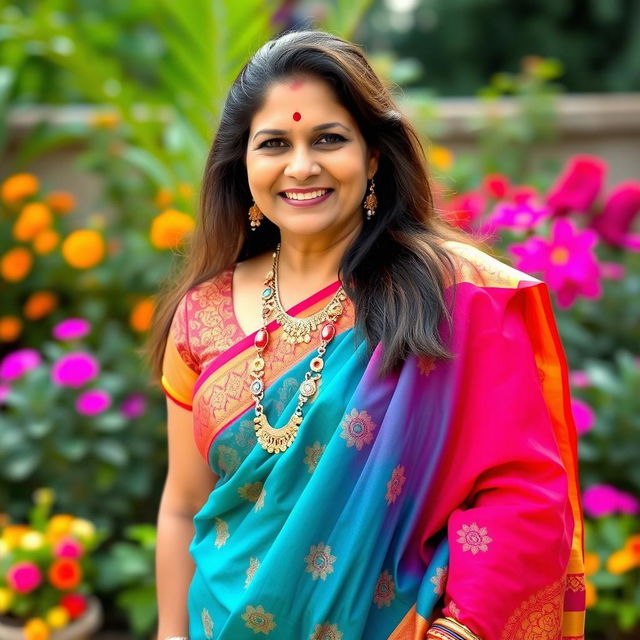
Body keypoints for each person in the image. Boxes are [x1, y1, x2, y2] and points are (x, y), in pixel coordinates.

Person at [147, 30, 586, 640]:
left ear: (373, 156)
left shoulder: (452, 297)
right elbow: (181, 504)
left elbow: (523, 495)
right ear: (243, 163)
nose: (302, 166)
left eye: (328, 139)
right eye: (275, 143)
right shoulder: (203, 313)